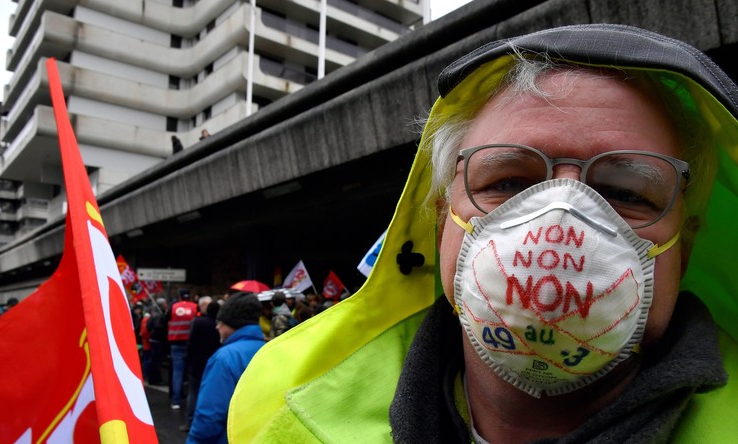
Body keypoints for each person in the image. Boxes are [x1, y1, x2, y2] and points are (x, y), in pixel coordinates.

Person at [228, 24, 738, 442]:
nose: (561, 222)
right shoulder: (287, 410)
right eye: (510, 181)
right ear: (440, 218)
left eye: (626, 193)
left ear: (684, 246)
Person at [187, 292, 265, 444]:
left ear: (231, 323)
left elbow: (210, 415)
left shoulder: (225, 358)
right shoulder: (269, 350)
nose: (217, 327)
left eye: (220, 322)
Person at [182, 296, 221, 433]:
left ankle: (191, 421)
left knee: (193, 392)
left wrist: (188, 360)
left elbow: (191, 343)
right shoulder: (220, 325)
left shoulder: (197, 322)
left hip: (197, 363)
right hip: (214, 363)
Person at [167, 288, 198, 409]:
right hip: (190, 343)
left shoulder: (173, 307)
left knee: (177, 372)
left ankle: (176, 401)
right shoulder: (195, 307)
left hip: (175, 342)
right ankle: (192, 398)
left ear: (179, 296)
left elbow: (165, 322)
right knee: (192, 372)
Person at [146, 298, 169, 385]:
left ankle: (154, 378)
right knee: (156, 361)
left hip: (154, 339)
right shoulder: (159, 316)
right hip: (157, 340)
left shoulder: (155, 314)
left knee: (154, 360)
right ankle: (154, 379)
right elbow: (157, 327)